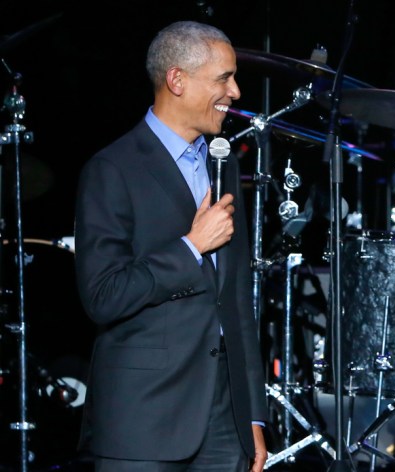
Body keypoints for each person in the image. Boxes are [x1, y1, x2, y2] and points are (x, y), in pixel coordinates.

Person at [74, 21, 267, 472]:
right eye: (224, 78)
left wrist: (252, 413)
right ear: (176, 80)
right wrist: (190, 247)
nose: (236, 92)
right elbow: (103, 296)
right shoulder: (112, 168)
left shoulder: (225, 170)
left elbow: (236, 302)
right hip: (143, 417)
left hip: (224, 420)